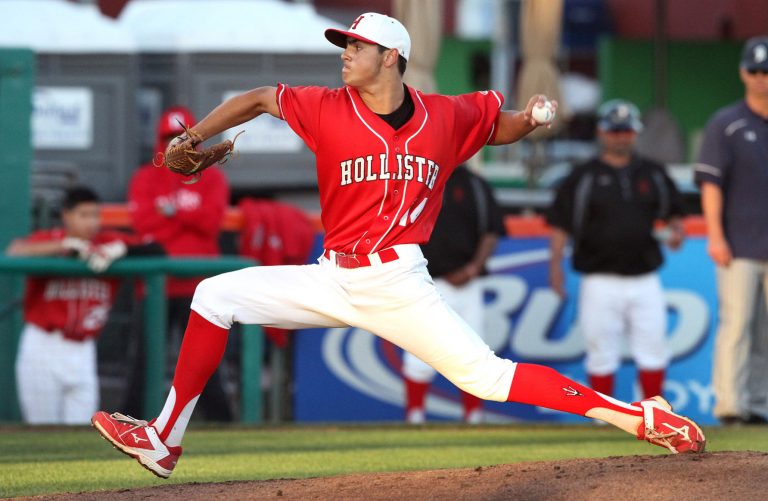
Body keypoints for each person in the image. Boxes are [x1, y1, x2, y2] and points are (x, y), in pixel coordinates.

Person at [91, 12, 705, 479]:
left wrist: (536, 117)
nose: (345, 55)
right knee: (213, 295)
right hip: (330, 275)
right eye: (345, 45)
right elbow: (256, 98)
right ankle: (164, 438)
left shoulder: (444, 115)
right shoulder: (326, 107)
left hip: (395, 283)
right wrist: (195, 135)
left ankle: (638, 417)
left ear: (391, 57)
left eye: (356, 47)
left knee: (488, 378)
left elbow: (501, 125)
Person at [547, 99, 685, 402]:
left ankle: (656, 415)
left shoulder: (653, 173)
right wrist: (555, 267)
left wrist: (676, 233)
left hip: (644, 276)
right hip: (599, 277)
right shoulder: (582, 176)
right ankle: (603, 420)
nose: (620, 136)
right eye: (614, 130)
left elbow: (674, 214)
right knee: (600, 352)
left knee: (653, 349)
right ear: (601, 132)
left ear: (635, 133)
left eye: (626, 130)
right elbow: (560, 225)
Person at [7, 186, 161, 424]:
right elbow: (14, 252)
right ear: (66, 215)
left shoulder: (107, 241)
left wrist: (122, 250)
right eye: (84, 215)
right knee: (41, 431)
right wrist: (63, 247)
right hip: (43, 345)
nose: (91, 222)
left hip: (84, 348)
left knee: (82, 430)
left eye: (95, 215)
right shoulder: (51, 240)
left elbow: (157, 250)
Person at [124, 106, 233, 422]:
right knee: (143, 362)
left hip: (199, 284)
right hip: (156, 286)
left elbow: (212, 224)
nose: (176, 143)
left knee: (206, 361)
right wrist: (186, 220)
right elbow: (145, 226)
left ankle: (222, 426)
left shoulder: (211, 177)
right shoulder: (146, 177)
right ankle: (127, 422)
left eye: (183, 137)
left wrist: (172, 212)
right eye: (170, 137)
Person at [695, 36, 768, 425]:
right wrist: (715, 234)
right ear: (743, 72)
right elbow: (711, 184)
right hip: (739, 243)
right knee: (737, 326)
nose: (761, 78)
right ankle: (730, 405)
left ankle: (759, 403)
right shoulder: (727, 122)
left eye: (766, 71)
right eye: (755, 70)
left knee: (765, 333)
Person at [402, 164, 504, 424]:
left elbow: (491, 231)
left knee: (473, 350)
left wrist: (473, 268)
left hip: (468, 282)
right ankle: (415, 415)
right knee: (419, 349)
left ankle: (473, 415)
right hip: (423, 280)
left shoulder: (474, 184)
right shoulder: (414, 176)